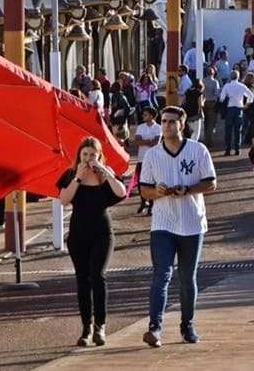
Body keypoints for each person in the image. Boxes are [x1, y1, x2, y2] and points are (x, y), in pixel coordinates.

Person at [136, 106, 216, 347]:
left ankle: (187, 325)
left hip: (192, 222)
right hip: (163, 223)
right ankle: (155, 328)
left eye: (172, 122)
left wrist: (189, 189)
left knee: (187, 276)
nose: (167, 125)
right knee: (162, 274)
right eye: (164, 121)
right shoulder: (152, 155)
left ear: (181, 125)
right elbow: (144, 190)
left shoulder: (198, 150)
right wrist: (157, 192)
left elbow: (211, 183)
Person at [57, 136, 127, 347]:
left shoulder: (104, 176)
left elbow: (122, 192)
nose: (88, 159)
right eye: (85, 154)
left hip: (102, 233)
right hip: (78, 234)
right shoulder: (71, 175)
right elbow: (64, 200)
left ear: (99, 156)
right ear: (79, 155)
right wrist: (78, 177)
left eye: (92, 155)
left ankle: (100, 326)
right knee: (82, 279)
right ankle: (86, 327)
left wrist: (105, 172)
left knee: (97, 275)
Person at [217, 69, 254, 157]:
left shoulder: (227, 86)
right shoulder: (242, 86)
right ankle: (237, 149)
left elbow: (221, 98)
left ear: (230, 77)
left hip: (229, 109)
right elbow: (251, 95)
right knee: (238, 130)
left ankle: (228, 149)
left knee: (228, 130)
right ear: (238, 77)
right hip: (239, 108)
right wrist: (247, 105)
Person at [133, 108, 162, 215]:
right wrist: (147, 141)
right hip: (142, 158)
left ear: (151, 116)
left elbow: (156, 142)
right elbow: (136, 141)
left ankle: (152, 204)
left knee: (152, 182)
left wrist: (143, 141)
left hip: (155, 159)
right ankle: (143, 200)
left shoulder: (158, 128)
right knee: (141, 182)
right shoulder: (140, 127)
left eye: (145, 115)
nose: (143, 116)